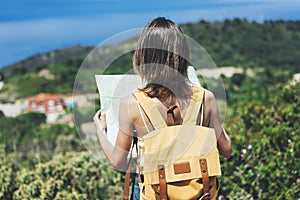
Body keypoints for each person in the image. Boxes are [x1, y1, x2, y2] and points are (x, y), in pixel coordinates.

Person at [94, 17, 232, 200]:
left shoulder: (132, 104)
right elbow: (226, 150)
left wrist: (100, 130)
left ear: (144, 56)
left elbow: (117, 160)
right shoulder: (205, 99)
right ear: (183, 56)